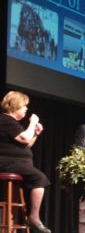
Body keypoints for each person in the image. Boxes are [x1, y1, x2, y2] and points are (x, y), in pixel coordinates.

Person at [0, 91, 51, 233]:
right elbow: (24, 139)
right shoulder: (5, 120)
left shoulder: (12, 123)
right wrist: (33, 122)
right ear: (15, 106)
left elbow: (26, 145)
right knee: (40, 178)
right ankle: (34, 218)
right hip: (6, 162)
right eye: (24, 106)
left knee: (37, 178)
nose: (26, 109)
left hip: (17, 163)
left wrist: (35, 133)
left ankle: (20, 221)